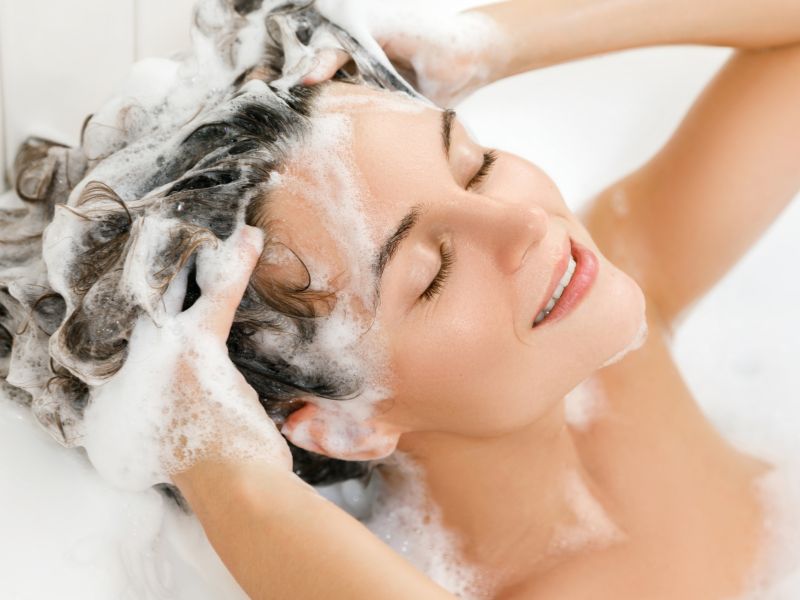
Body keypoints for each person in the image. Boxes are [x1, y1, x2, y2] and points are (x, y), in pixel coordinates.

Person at [2, 0, 798, 598]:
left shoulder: (614, 321)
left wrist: (483, 40)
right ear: (349, 422)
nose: (523, 222)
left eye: (473, 163)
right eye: (433, 274)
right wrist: (221, 471)